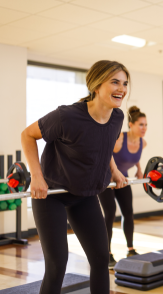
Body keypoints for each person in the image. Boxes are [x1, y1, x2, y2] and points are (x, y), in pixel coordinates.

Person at [21, 60, 129, 294]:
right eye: (114, 82)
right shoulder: (66, 116)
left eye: (124, 83)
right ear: (96, 85)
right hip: (52, 195)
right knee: (57, 264)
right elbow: (28, 135)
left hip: (85, 194)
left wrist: (115, 170)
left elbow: (104, 144)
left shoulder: (117, 117)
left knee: (101, 259)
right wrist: (36, 176)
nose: (121, 88)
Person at [99, 106, 148, 269]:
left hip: (123, 179)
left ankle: (131, 249)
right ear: (131, 125)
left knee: (128, 212)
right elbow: (104, 154)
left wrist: (139, 169)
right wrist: (112, 174)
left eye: (146, 125)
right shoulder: (119, 138)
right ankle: (106, 253)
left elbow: (134, 156)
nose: (144, 128)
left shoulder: (143, 142)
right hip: (107, 179)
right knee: (110, 213)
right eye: (141, 124)